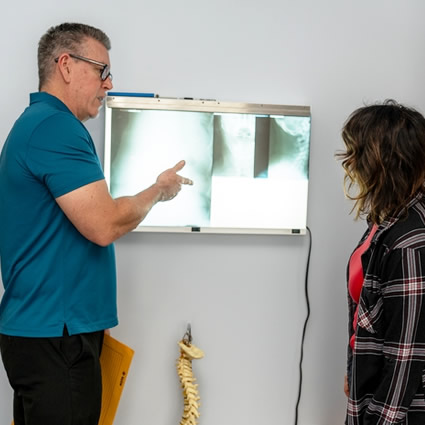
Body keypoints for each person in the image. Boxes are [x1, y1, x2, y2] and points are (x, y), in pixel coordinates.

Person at [0, 22, 193, 425]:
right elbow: (103, 225)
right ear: (66, 65)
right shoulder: (54, 127)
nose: (108, 84)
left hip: (57, 329)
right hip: (57, 336)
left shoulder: (42, 124)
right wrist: (158, 190)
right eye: (101, 70)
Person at [337, 100, 425, 424]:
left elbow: (406, 359)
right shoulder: (384, 220)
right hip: (369, 396)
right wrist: (353, 368)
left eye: (356, 152)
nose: (348, 162)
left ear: (381, 161)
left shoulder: (410, 243)